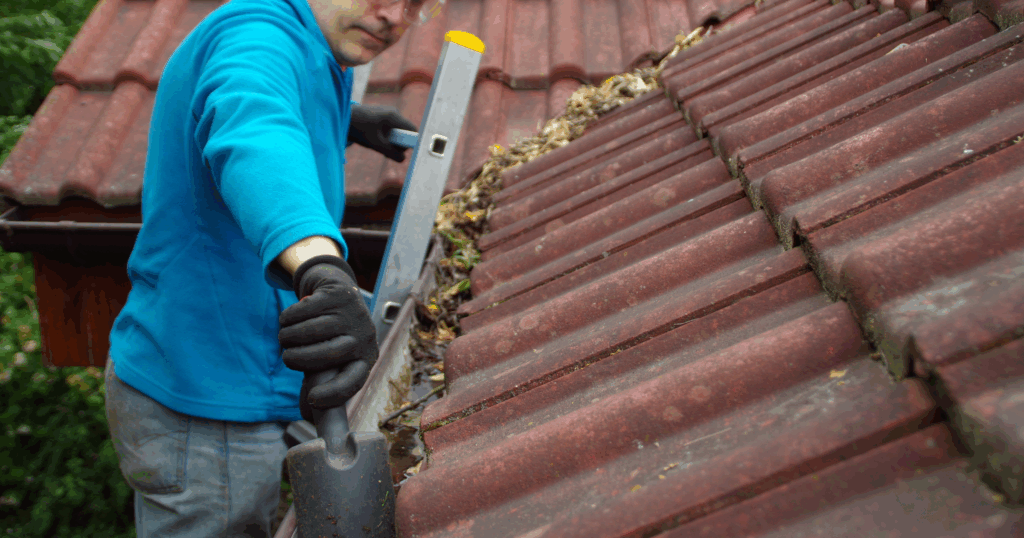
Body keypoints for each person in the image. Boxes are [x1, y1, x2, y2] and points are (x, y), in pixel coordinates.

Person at [102, 0, 428, 533]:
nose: (394, 14)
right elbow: (255, 131)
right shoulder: (258, 36)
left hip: (243, 371)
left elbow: (279, 108)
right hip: (205, 402)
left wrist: (347, 121)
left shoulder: (315, 50)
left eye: (415, 4)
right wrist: (320, 268)